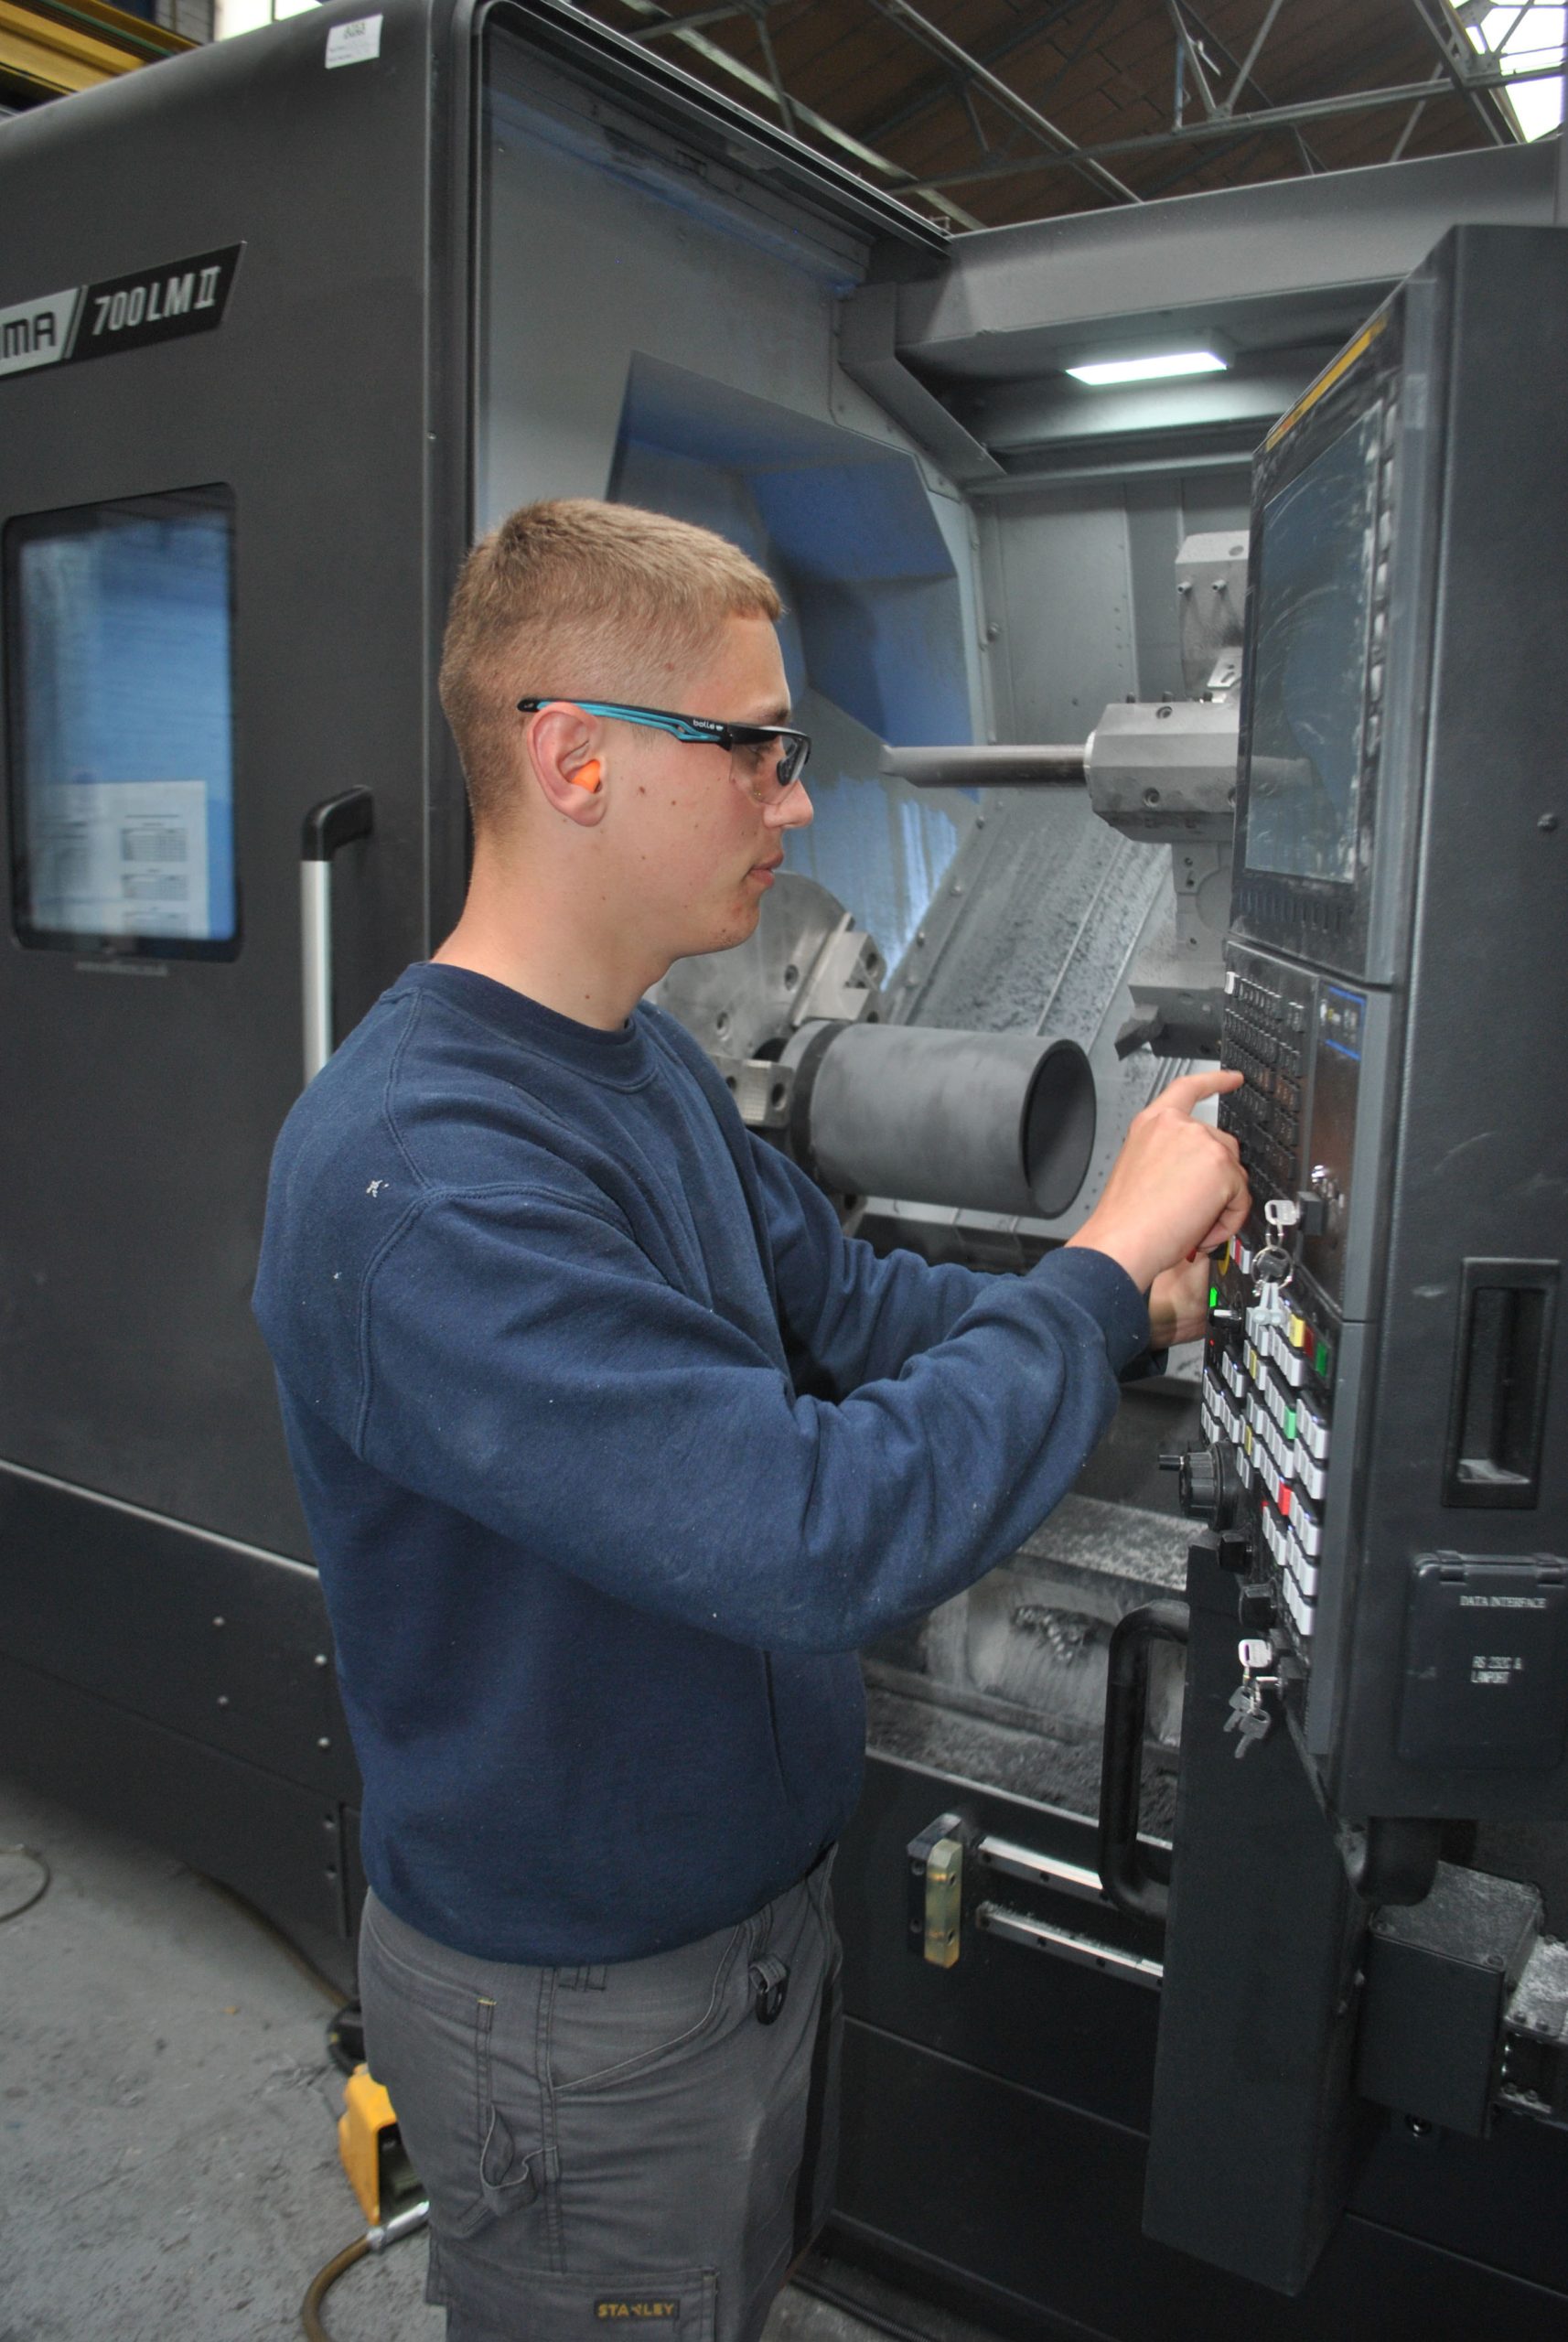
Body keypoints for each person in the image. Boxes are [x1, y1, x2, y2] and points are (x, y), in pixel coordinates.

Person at [253, 499, 1246, 2342]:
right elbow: (806, 1530)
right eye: (757, 751)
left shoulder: (631, 1059)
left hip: (752, 1928)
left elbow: (853, 1308)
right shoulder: (423, 1183)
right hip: (579, 2008)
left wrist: (1125, 1321)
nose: (794, 805)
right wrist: (1100, 1259)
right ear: (571, 757)